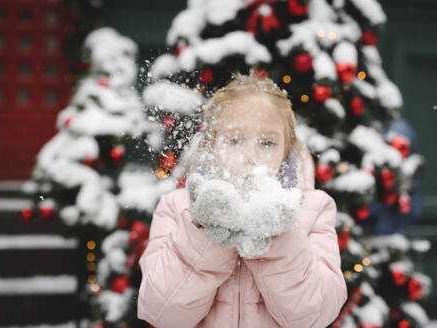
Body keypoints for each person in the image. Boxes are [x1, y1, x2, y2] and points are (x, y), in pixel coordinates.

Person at [137, 70, 348, 327]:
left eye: (267, 143)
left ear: (287, 148)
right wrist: (206, 231)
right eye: (234, 140)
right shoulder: (177, 208)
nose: (251, 155)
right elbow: (163, 313)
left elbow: (316, 315)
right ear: (212, 145)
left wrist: (279, 233)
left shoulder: (314, 209)